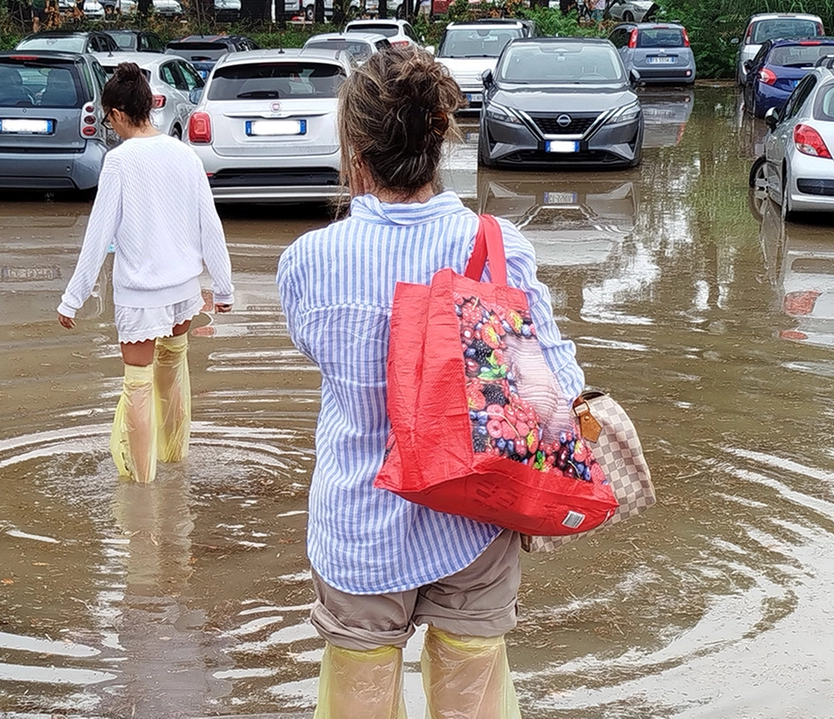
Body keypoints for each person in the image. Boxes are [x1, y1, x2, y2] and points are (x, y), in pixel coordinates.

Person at [276, 46, 584, 718]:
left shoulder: (308, 261)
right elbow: (558, 389)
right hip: (473, 516)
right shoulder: (497, 245)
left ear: (355, 150)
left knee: (357, 697)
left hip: (358, 523)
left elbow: (315, 350)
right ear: (440, 138)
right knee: (471, 697)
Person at [59, 62, 234, 484]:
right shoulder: (185, 154)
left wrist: (73, 298)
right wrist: (223, 287)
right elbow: (210, 224)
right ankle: (174, 459)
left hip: (140, 294)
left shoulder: (119, 162)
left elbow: (97, 236)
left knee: (137, 383)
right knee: (172, 372)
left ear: (118, 114)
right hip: (184, 292)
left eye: (107, 117)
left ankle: (142, 484)